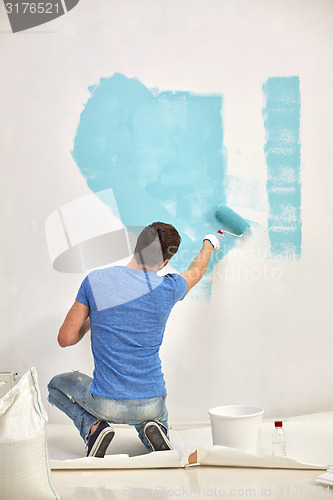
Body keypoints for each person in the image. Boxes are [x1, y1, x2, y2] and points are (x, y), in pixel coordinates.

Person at [48, 222, 223, 457]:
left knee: (55, 386)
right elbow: (197, 271)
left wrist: (95, 316)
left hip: (104, 403)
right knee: (150, 413)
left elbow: (66, 338)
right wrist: (209, 244)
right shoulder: (169, 287)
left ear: (137, 246)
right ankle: (153, 428)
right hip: (151, 402)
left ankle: (94, 427)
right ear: (164, 263)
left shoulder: (96, 280)